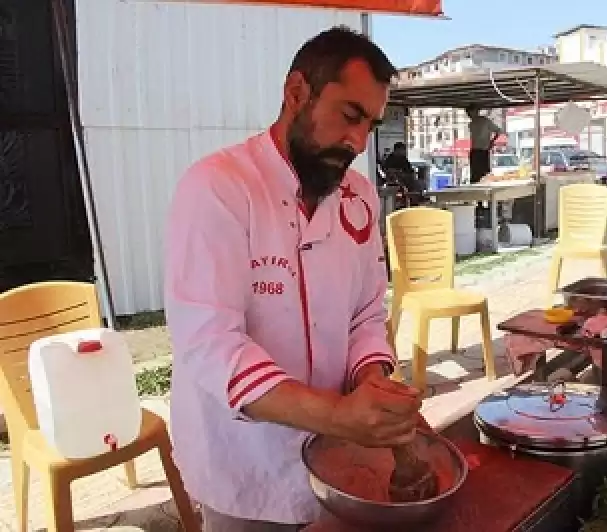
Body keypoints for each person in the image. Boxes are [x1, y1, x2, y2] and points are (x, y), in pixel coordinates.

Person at [164, 27, 425, 532]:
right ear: (297, 92)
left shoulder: (360, 196)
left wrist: (371, 382)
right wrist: (339, 416)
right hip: (244, 463)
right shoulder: (219, 187)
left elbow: (366, 314)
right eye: (350, 116)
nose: (357, 141)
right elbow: (210, 343)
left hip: (339, 461)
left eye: (370, 124)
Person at [466, 105, 504, 184]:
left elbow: (498, 131)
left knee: (483, 175)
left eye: (470, 112)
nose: (469, 115)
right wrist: (491, 142)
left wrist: (492, 141)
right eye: (468, 113)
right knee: (476, 175)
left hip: (482, 151)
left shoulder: (485, 121)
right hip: (476, 151)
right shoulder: (471, 124)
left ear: (475, 112)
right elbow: (498, 131)